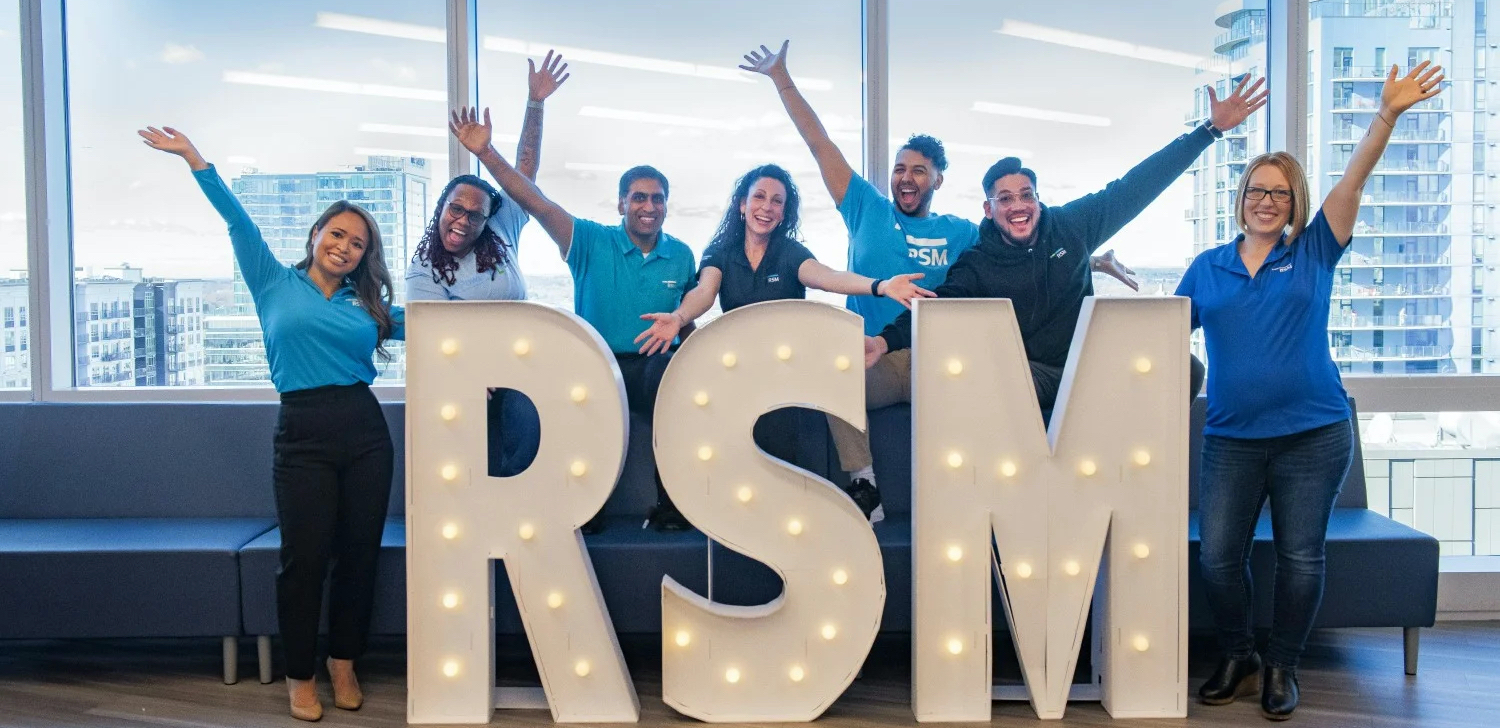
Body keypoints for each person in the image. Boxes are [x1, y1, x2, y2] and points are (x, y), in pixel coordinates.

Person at [740, 40, 1141, 522]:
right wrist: (782, 79)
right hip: (876, 355)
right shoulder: (866, 209)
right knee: (830, 373)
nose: (906, 178)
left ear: (938, 180)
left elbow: (1018, 251)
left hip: (940, 362)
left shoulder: (961, 232)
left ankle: (976, 503)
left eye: (919, 171)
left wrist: (1091, 261)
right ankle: (864, 484)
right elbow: (819, 144)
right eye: (899, 169)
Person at [848, 77, 1267, 518]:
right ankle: (1018, 499)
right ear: (989, 209)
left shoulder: (1070, 227)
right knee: (987, 378)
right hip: (1028, 375)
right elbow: (934, 308)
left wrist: (1208, 131)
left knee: (1188, 367)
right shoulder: (977, 262)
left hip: (1086, 364)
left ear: (1038, 200)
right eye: (1005, 198)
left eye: (1026, 195)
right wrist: (884, 342)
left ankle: (1132, 472)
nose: (1018, 205)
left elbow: (1136, 186)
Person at [1180, 62, 1443, 721]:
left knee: (1301, 559)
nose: (1266, 201)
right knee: (1218, 560)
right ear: (1240, 198)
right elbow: (1158, 341)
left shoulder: (1316, 251)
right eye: (1256, 190)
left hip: (1314, 435)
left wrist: (1386, 115)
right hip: (1231, 438)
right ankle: (1239, 654)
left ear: (1294, 204)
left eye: (1280, 193)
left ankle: (1282, 666)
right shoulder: (1206, 268)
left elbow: (1352, 179)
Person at [139, 126, 404, 722]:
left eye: (358, 243)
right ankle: (301, 675)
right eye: (337, 234)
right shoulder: (272, 280)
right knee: (304, 560)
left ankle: (344, 662)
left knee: (360, 555)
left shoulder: (368, 306)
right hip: (303, 433)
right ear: (315, 235)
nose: (345, 247)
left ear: (365, 256)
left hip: (364, 432)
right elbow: (237, 222)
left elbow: (444, 331)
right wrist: (195, 159)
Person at [447, 106, 698, 532]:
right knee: (578, 385)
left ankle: (672, 506)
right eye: (639, 197)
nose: (649, 206)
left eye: (657, 198)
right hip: (600, 365)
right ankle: (586, 507)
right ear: (621, 203)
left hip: (654, 366)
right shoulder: (589, 241)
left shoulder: (681, 254)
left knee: (673, 376)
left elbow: (684, 320)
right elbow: (534, 200)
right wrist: (487, 153)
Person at [407, 51, 568, 479]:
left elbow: (525, 171)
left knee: (529, 448)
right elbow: (431, 338)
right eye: (455, 209)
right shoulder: (424, 267)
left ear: (486, 220)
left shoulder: (501, 230)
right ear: (441, 208)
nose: (462, 220)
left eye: (474, 215)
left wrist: (536, 102)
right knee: (475, 468)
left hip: (519, 370)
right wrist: (475, 371)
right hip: (462, 378)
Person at [632, 163, 932, 355]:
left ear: (783, 213)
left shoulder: (789, 252)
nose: (767, 207)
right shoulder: (721, 251)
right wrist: (679, 318)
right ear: (742, 204)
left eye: (777, 201)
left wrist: (881, 286)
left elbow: (828, 277)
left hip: (789, 359)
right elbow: (705, 292)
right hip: (741, 360)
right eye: (759, 197)